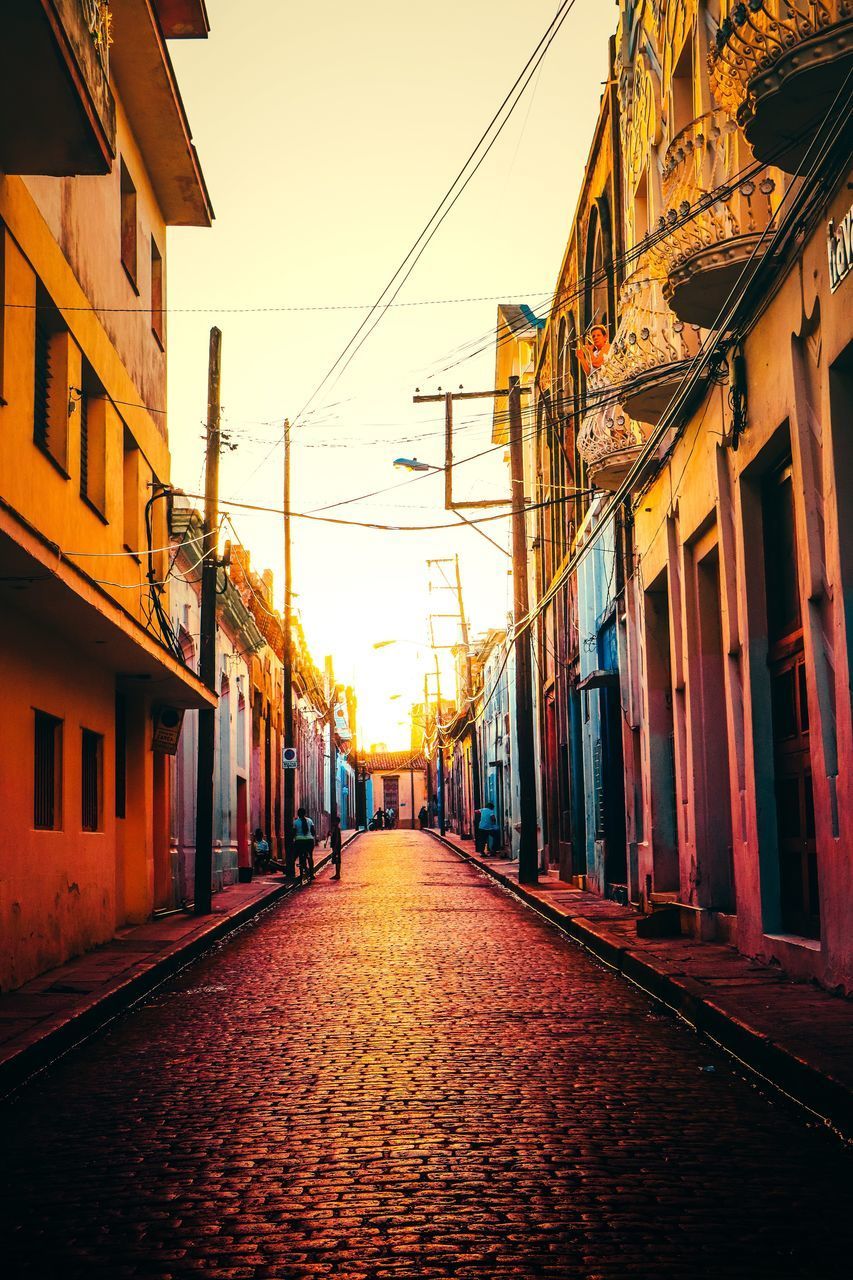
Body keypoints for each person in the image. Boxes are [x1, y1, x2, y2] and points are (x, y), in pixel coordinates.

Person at [293, 807, 316, 882]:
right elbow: (313, 831)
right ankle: (312, 874)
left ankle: (301, 869)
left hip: (299, 841)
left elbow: (294, 832)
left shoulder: (295, 822)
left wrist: (294, 838)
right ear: (305, 813)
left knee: (299, 855)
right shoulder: (310, 820)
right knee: (310, 856)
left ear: (298, 814)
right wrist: (312, 836)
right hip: (309, 841)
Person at [330, 814, 342, 880]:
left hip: (336, 847)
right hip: (336, 847)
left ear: (337, 822)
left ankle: (337, 874)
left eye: (334, 821)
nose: (333, 823)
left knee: (337, 861)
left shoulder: (337, 829)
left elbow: (337, 839)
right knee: (337, 860)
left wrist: (335, 848)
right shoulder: (335, 829)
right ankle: (337, 874)